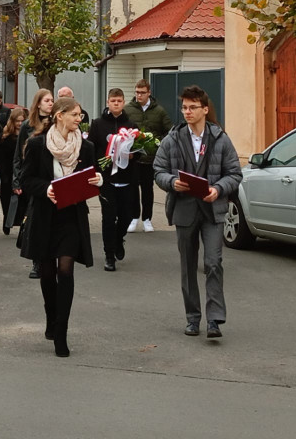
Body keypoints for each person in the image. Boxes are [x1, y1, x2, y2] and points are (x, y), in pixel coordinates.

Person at [153, 85, 242, 339]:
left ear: (205, 109)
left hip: (213, 209)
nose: (187, 112)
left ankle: (214, 319)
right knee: (187, 266)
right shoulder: (173, 138)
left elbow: (235, 174)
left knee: (213, 263)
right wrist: (171, 182)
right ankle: (193, 318)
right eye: (184, 107)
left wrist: (218, 189)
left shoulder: (220, 138)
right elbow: (158, 170)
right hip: (184, 208)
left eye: (193, 107)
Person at [19, 96, 102, 357]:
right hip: (44, 216)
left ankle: (61, 333)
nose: (80, 119)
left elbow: (94, 174)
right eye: (75, 114)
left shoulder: (86, 147)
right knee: (46, 272)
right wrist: (47, 189)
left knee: (65, 269)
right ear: (59, 116)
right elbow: (26, 180)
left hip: (71, 217)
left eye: (80, 115)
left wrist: (99, 179)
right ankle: (51, 317)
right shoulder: (37, 145)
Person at [88, 87, 138, 272]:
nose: (116, 104)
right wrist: (94, 171)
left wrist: (134, 156)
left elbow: (139, 151)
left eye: (119, 101)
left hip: (127, 179)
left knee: (126, 216)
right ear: (108, 103)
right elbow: (92, 149)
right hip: (106, 179)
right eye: (113, 101)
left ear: (123, 102)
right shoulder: (98, 124)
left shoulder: (132, 125)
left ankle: (119, 238)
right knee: (108, 218)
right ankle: (109, 256)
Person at [13, 88, 54, 277]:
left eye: (52, 100)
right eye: (46, 100)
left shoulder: (57, 122)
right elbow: (18, 156)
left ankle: (51, 256)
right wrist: (17, 180)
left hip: (52, 175)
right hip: (33, 177)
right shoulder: (28, 125)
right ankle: (37, 262)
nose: (50, 103)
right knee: (35, 219)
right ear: (38, 103)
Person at [124, 78, 173, 233]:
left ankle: (147, 219)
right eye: (137, 92)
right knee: (132, 189)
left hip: (150, 158)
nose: (139, 95)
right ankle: (133, 217)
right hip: (133, 157)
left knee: (147, 189)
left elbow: (169, 130)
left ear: (149, 93)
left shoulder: (159, 111)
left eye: (142, 93)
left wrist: (158, 142)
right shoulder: (128, 109)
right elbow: (122, 129)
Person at [0, 107, 27, 235]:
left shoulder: (27, 135)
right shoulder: (6, 136)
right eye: (17, 121)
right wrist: (2, 170)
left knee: (23, 200)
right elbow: (1, 156)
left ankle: (21, 223)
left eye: (22, 121)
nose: (20, 124)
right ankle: (7, 220)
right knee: (7, 199)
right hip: (7, 172)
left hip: (23, 171)